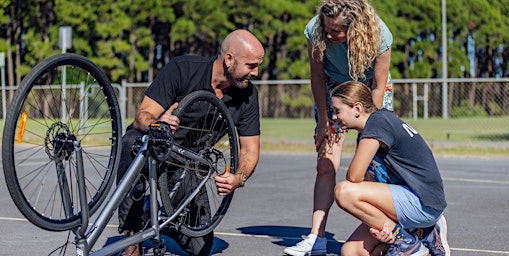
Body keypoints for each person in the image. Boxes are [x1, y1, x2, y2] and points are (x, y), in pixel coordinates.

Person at [117, 29, 264, 256]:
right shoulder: (183, 69)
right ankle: (132, 234)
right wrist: (158, 124)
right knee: (131, 142)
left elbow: (250, 150)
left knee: (200, 248)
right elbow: (142, 116)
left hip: (188, 165)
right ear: (229, 59)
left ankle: (159, 215)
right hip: (156, 148)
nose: (256, 72)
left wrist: (239, 177)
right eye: (251, 65)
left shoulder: (248, 96)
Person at [284, 0, 393, 255]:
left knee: (370, 167)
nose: (330, 34)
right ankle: (316, 238)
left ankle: (376, 235)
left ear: (355, 29)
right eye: (327, 28)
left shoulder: (380, 34)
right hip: (334, 86)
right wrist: (323, 119)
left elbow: (378, 86)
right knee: (325, 163)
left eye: (337, 31)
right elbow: (316, 76)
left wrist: (370, 130)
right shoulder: (316, 30)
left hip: (368, 88)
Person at [330, 80, 450, 255]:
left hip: (423, 202)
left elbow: (354, 177)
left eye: (337, 111)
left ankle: (408, 242)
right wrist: (380, 227)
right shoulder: (370, 130)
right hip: (403, 201)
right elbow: (371, 187)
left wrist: (390, 229)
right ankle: (422, 234)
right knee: (351, 251)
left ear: (357, 109)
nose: (333, 117)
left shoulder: (378, 122)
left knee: (343, 191)